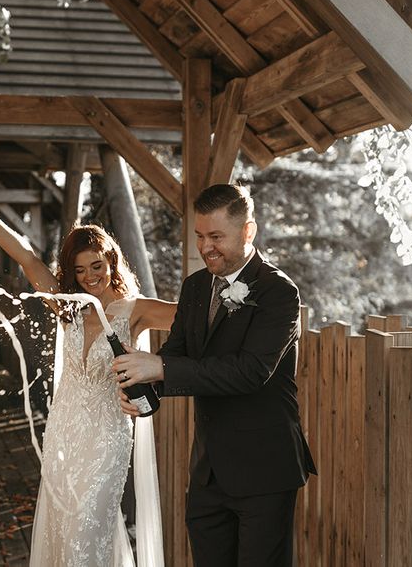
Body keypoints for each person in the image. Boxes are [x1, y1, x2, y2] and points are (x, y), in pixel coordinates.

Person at [0, 175, 175, 567]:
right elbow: (28, 258)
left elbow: (195, 319)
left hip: (106, 439)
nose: (89, 276)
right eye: (80, 270)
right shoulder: (70, 307)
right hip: (64, 433)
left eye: (96, 266)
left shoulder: (138, 310)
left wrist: (159, 370)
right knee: (65, 528)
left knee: (86, 527)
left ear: (111, 261)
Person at [112, 183, 316, 567]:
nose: (206, 247)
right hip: (208, 472)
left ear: (248, 231)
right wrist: (144, 392)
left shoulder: (278, 292)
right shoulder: (194, 287)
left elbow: (251, 372)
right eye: (200, 236)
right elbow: (175, 355)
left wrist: (162, 367)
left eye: (216, 237)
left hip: (265, 471)